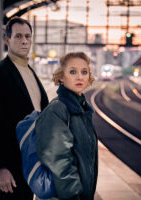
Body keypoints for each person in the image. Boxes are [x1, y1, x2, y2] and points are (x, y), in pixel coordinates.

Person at [0, 17, 49, 200]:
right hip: (12, 164)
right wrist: (1, 167)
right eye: (18, 36)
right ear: (7, 40)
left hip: (32, 160)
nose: (24, 41)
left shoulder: (30, 71)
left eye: (28, 36)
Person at [35, 52, 98, 200]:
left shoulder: (82, 111)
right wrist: (73, 196)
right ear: (61, 77)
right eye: (73, 71)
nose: (80, 77)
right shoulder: (57, 110)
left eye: (84, 72)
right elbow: (59, 163)